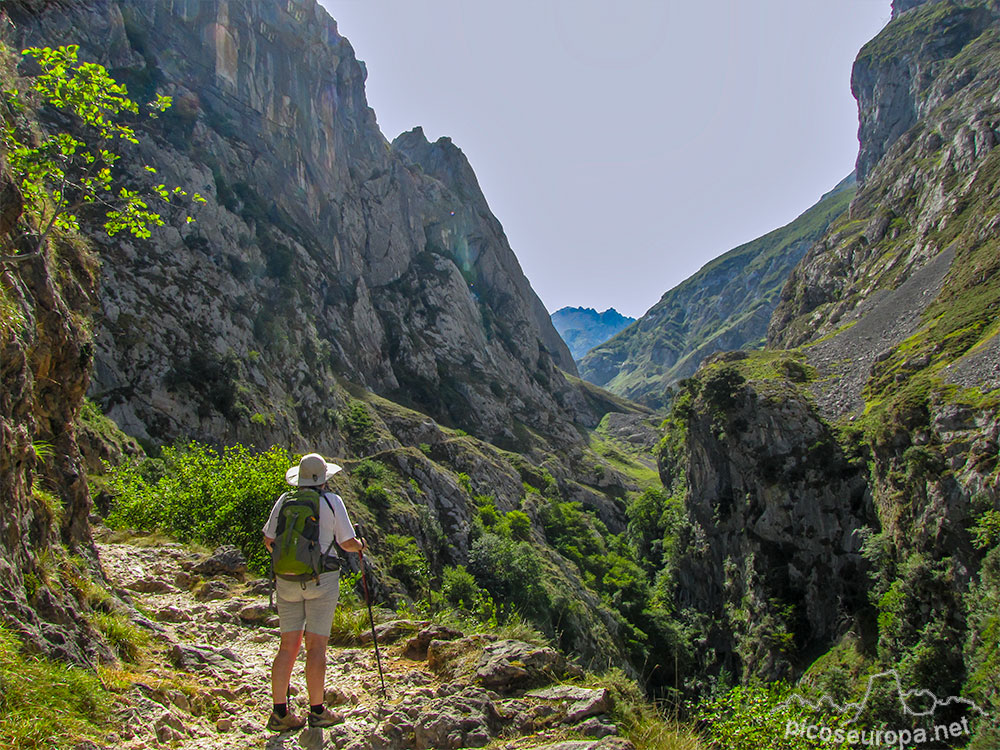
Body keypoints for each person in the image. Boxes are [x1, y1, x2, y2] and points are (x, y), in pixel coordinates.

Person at [262, 452, 367, 732]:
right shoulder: (332, 502)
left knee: (287, 647)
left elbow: (269, 540)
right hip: (322, 581)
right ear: (323, 479)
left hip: (286, 581)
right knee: (316, 647)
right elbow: (346, 543)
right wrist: (360, 545)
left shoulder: (284, 501)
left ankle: (280, 713)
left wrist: (291, 559)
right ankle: (318, 711)